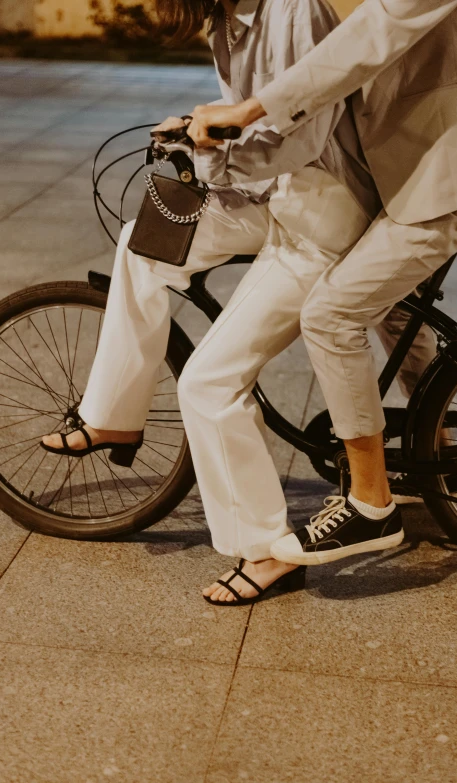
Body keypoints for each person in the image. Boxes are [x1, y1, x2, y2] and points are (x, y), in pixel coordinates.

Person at [41, 0, 434, 602]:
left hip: (323, 212)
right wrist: (199, 128)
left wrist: (211, 156)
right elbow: (251, 123)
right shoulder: (227, 18)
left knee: (208, 383)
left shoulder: (294, 10)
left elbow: (302, 137)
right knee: (145, 240)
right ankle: (112, 418)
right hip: (274, 193)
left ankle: (267, 551)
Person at [188, 0, 457, 567]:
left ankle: (371, 505)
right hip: (419, 165)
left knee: (331, 314)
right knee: (391, 305)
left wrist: (254, 109)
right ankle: (441, 465)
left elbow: (377, 31)